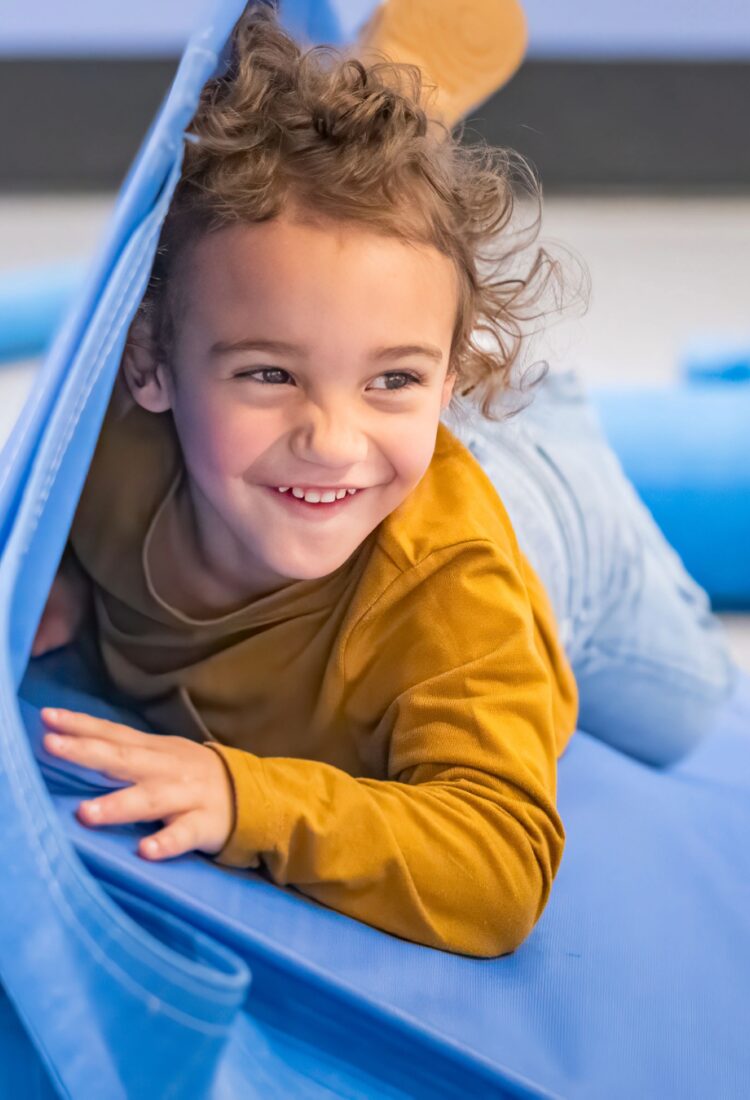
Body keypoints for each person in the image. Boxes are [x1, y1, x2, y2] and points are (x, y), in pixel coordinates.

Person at [31, 2, 736, 958]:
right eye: (269, 375)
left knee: (687, 715)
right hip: (406, 441)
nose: (328, 438)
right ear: (150, 366)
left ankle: (507, 372)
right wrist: (60, 581)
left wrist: (248, 796)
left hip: (553, 523)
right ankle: (366, 143)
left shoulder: (453, 590)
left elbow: (498, 872)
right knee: (343, 296)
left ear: (448, 379)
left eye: (395, 376)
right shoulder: (105, 449)